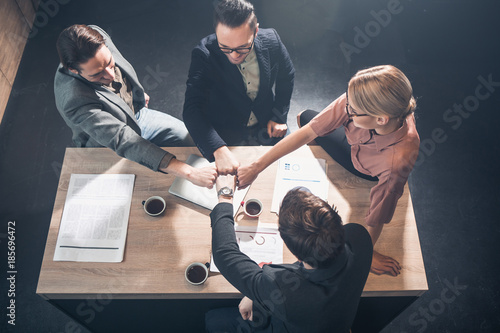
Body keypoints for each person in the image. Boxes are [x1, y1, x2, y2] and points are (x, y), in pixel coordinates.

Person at [237, 65, 420, 276]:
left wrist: (366, 252)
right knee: (304, 117)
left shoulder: (396, 163)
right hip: (355, 144)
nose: (346, 107)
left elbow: (378, 216)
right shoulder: (360, 100)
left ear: (380, 119)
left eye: (352, 110)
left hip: (366, 170)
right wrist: (257, 166)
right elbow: (308, 131)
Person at [54, 24, 216, 188]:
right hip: (107, 145)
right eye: (97, 74)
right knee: (140, 186)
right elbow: (123, 139)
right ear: (73, 70)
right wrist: (190, 173)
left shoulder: (97, 34)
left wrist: (134, 94)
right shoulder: (73, 99)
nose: (110, 75)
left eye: (110, 63)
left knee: (187, 136)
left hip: (136, 116)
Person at [206, 182, 372, 332]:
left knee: (213, 321)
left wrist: (225, 196)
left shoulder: (279, 286)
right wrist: (258, 293)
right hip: (335, 321)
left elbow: (224, 254)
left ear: (296, 254)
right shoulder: (359, 237)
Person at [183, 0, 295, 175]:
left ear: (256, 31)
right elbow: (192, 109)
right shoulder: (203, 53)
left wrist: (279, 115)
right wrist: (218, 148)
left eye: (243, 48)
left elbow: (286, 77)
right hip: (226, 129)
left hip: (267, 122)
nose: (234, 55)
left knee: (288, 169)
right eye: (225, 47)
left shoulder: (272, 40)